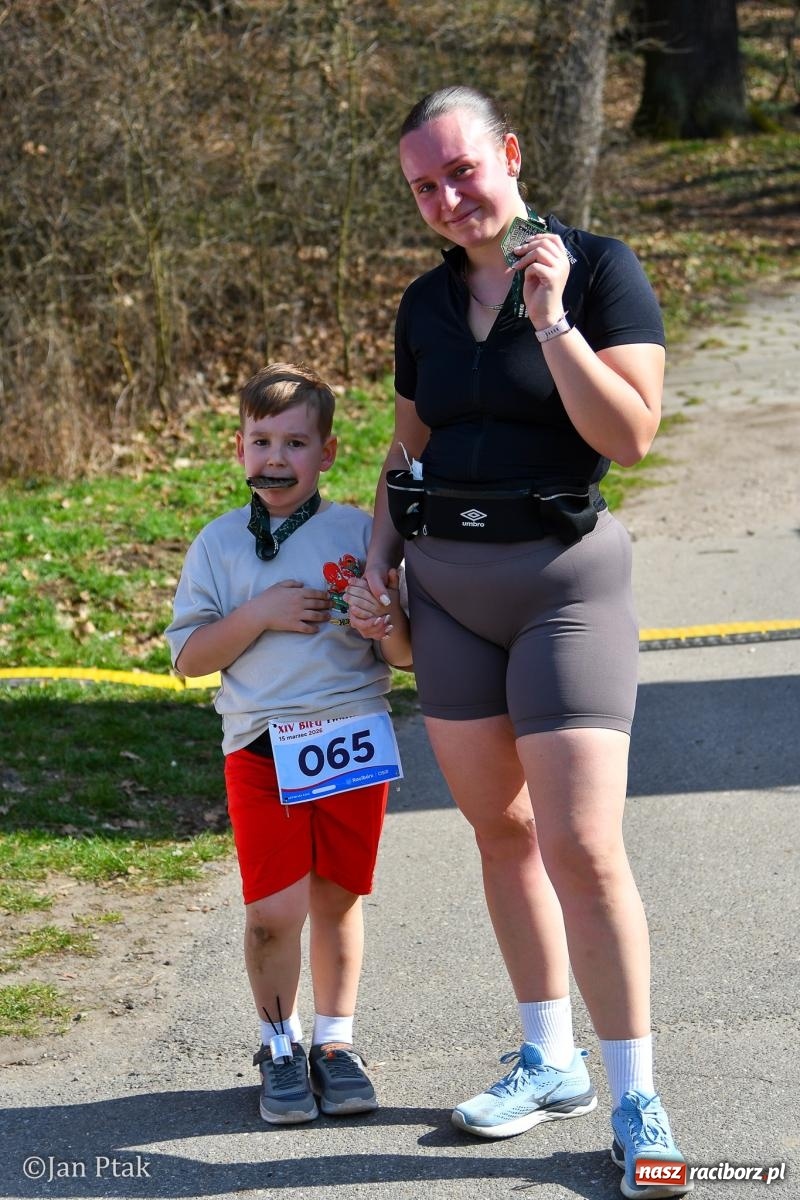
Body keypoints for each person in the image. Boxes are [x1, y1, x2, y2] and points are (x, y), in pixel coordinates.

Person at [361, 86, 691, 1199]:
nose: (447, 199)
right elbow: (402, 454)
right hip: (446, 597)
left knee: (582, 848)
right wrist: (375, 569)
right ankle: (545, 1059)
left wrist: (551, 322)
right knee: (498, 834)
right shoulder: (421, 302)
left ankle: (635, 1092)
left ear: (507, 153)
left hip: (560, 589)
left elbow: (631, 436)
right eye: (422, 187)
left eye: (459, 171)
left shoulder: (596, 269)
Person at [165, 362, 411, 1125]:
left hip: (350, 740)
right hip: (262, 748)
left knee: (338, 898)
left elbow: (402, 655)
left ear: (328, 454)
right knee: (273, 911)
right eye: (261, 440)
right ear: (238, 448)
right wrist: (262, 613)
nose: (276, 458)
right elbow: (188, 658)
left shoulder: (359, 535)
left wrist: (384, 620)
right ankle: (279, 1043)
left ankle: (335, 1046)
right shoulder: (217, 546)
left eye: (295, 442)